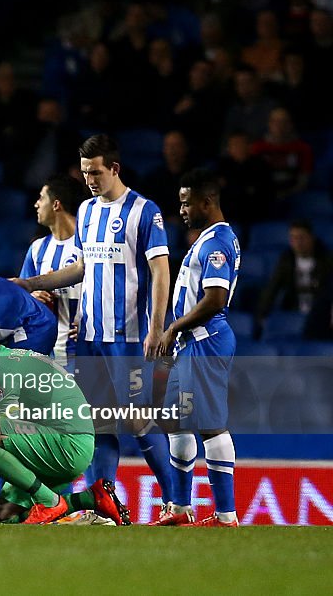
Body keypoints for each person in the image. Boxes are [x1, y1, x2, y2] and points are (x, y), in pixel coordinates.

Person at [13, 134, 175, 512]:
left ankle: (175, 502)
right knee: (99, 424)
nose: (89, 179)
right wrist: (31, 283)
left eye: (96, 172)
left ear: (114, 168)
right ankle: (102, 504)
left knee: (137, 420)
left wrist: (156, 327)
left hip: (128, 335)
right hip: (88, 336)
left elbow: (161, 271)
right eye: (85, 173)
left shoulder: (143, 211)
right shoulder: (86, 211)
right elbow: (83, 268)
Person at [0, 318, 128, 525]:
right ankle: (90, 498)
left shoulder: (3, 371)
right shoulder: (11, 360)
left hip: (67, 445)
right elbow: (1, 439)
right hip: (59, 442)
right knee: (4, 517)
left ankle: (49, 502)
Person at [152, 168, 241, 527]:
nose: (183, 209)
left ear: (208, 202)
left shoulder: (216, 243)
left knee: (210, 426)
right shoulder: (210, 239)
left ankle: (226, 514)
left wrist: (173, 326)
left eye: (188, 203)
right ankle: (180, 507)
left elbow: (216, 298)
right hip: (193, 343)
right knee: (174, 420)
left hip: (206, 341)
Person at [20, 174, 84, 370]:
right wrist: (32, 297)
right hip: (49, 355)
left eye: (41, 198)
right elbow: (20, 298)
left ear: (56, 204)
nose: (36, 204)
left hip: (87, 351)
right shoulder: (38, 249)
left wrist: (94, 320)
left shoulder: (91, 245)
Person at [256, 219, 333, 323]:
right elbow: (272, 288)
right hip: (293, 311)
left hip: (321, 313)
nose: (298, 243)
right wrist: (261, 317)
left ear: (311, 238)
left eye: (301, 238)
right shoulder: (286, 260)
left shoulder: (327, 259)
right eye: (293, 238)